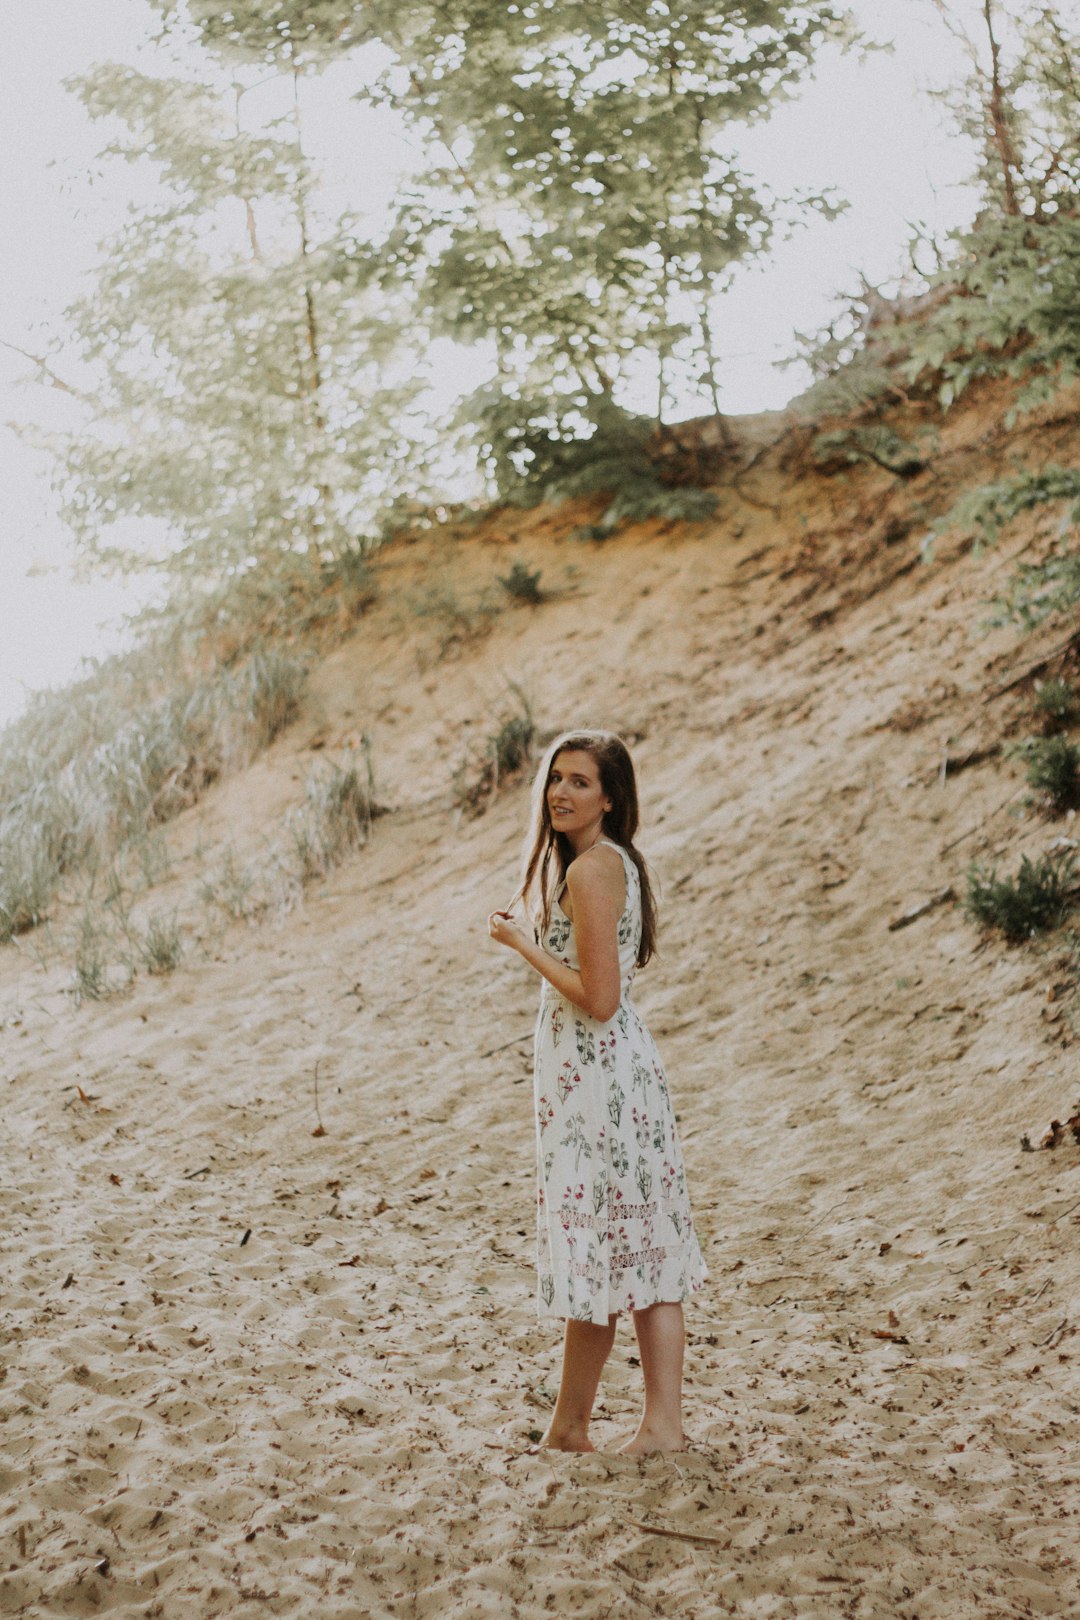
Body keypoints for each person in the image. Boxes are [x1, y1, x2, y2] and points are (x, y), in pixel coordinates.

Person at [488, 729, 706, 1454]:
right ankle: (575, 1427)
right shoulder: (604, 864)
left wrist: (524, 946)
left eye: (581, 781)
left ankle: (654, 1427)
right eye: (556, 777)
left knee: (611, 1248)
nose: (561, 791)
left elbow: (600, 999)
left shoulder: (592, 871)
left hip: (602, 1084)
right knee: (626, 1248)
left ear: (610, 798)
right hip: (604, 1079)